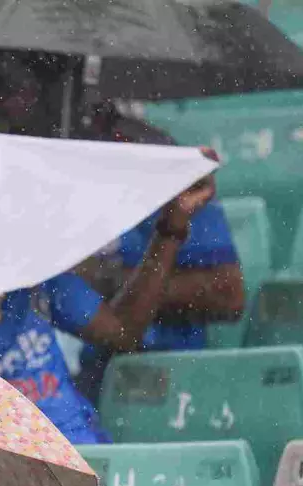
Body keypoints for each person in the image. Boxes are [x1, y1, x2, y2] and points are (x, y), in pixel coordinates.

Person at [0, 152, 220, 444]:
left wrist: (171, 227)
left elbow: (123, 333)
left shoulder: (33, 277)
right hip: (2, 474)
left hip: (84, 456)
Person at [74, 103, 246, 401]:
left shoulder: (163, 162)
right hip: (88, 377)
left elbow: (228, 294)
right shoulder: (48, 169)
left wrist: (114, 282)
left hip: (173, 374)